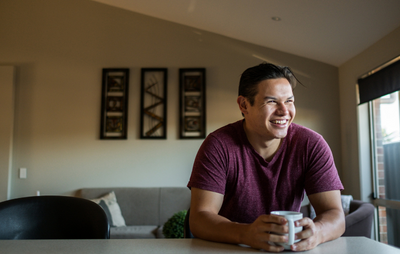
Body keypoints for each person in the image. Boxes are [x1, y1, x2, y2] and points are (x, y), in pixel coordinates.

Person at [187, 62, 345, 252]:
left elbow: (335, 214)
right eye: (272, 101)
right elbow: (200, 217)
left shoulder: (311, 145)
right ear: (244, 105)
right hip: (228, 248)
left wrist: (317, 232)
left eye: (289, 101)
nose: (284, 111)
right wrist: (245, 234)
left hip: (286, 249)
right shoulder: (218, 145)